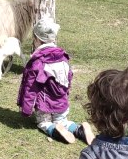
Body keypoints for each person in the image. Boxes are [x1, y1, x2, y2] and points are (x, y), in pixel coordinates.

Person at [17, 17, 95, 145]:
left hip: (45, 104)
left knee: (44, 123)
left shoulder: (38, 61)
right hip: (61, 102)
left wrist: (26, 109)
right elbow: (68, 79)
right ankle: (79, 130)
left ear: (37, 39)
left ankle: (57, 133)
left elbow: (30, 87)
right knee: (62, 121)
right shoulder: (63, 57)